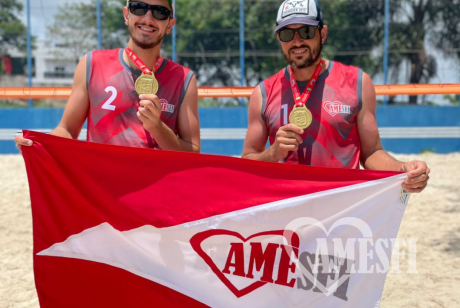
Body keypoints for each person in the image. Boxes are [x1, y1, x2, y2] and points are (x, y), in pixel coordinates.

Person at [242, 0, 429, 193]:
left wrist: (403, 169)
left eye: (306, 31)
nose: (297, 42)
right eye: (287, 34)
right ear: (280, 39)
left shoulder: (357, 83)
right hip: (286, 209)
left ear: (322, 34)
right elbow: (247, 160)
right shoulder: (263, 93)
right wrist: (272, 153)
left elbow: (371, 152)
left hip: (340, 211)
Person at [15, 0, 200, 153]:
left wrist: (157, 127)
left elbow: (193, 152)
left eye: (160, 12)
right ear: (127, 15)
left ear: (170, 25)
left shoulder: (183, 79)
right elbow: (67, 130)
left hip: (154, 194)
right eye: (139, 8)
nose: (148, 18)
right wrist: (37, 142)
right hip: (100, 190)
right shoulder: (92, 63)